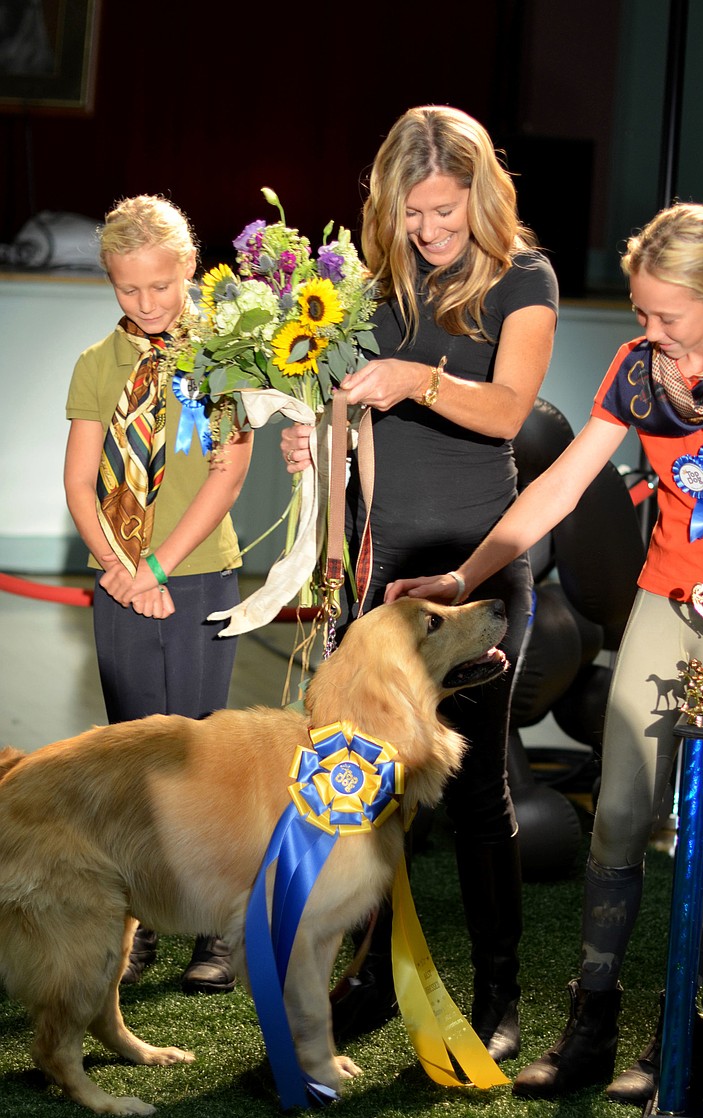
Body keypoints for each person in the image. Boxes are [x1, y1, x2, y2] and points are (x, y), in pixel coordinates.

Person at [386, 202, 703, 1101]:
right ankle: (591, 1024)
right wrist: (466, 575)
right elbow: (561, 485)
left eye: (667, 313)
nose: (649, 328)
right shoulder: (636, 371)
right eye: (640, 311)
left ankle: (684, 1037)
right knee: (620, 814)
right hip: (666, 601)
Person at [281, 105, 559, 1061]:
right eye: (413, 214)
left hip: (476, 566)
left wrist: (417, 379)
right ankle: (369, 977)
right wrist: (314, 443)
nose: (431, 230)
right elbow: (350, 418)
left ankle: (497, 992)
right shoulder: (370, 288)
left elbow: (511, 409)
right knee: (364, 785)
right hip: (381, 569)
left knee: (477, 788)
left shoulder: (524, 277)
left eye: (446, 210)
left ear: (481, 196)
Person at [64, 195, 254, 994]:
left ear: (189, 270)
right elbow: (80, 481)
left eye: (160, 286)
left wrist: (159, 567)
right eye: (128, 288)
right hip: (119, 581)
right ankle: (137, 921)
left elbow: (228, 473)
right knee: (135, 759)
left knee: (203, 757)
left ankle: (215, 927)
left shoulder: (224, 355)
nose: (146, 303)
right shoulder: (95, 364)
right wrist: (119, 567)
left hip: (197, 573)